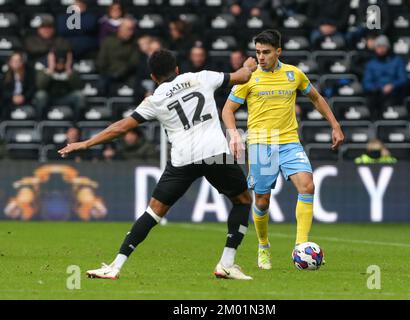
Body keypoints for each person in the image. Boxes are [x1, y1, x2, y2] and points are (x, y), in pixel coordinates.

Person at [58, 49, 259, 280]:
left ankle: (115, 265)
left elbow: (121, 128)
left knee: (153, 212)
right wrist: (248, 66)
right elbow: (241, 76)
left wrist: (86, 143)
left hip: (183, 159)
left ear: (153, 77)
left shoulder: (154, 100)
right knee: (243, 201)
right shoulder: (201, 77)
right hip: (214, 152)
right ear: (177, 69)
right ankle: (226, 263)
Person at [222, 30, 344, 270]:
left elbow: (316, 98)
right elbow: (227, 110)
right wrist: (234, 134)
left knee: (307, 185)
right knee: (263, 200)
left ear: (278, 51)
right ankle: (264, 245)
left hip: (289, 141)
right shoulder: (249, 77)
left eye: (266, 52)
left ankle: (301, 245)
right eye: (257, 52)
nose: (261, 57)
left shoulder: (293, 74)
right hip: (260, 142)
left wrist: (335, 124)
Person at [363, 35, 408, 120]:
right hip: (376, 94)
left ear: (388, 47)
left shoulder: (397, 61)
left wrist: (392, 85)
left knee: (389, 104)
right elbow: (367, 83)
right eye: (378, 47)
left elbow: (403, 78)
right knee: (371, 103)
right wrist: (378, 88)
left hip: (393, 95)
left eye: (383, 46)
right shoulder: (371, 64)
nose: (381, 49)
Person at [34, 50, 85, 119]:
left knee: (79, 95)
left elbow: (79, 86)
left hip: (66, 97)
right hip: (49, 97)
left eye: (62, 62)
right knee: (40, 95)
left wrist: (68, 70)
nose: (60, 64)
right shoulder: (43, 67)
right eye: (57, 61)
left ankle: (75, 125)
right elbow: (40, 86)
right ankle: (40, 122)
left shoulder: (72, 67)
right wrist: (51, 69)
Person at [96, 17, 140, 96]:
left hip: (127, 75)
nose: (131, 33)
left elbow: (133, 62)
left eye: (132, 30)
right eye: (128, 29)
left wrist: (120, 72)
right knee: (101, 85)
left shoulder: (134, 43)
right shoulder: (108, 41)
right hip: (108, 73)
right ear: (120, 29)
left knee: (137, 85)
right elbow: (101, 60)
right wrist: (108, 72)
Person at [1, 52, 36, 119]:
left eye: (18, 60)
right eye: (14, 61)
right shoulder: (4, 75)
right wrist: (12, 97)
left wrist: (23, 97)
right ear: (10, 62)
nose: (16, 63)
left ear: (22, 62)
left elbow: (32, 88)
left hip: (25, 101)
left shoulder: (28, 74)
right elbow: (3, 91)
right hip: (9, 102)